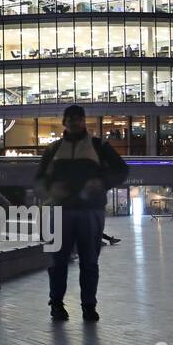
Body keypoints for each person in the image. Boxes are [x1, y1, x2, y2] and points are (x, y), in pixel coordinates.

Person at [35, 104, 128, 322]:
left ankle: (88, 306)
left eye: (79, 118)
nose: (75, 122)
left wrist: (102, 182)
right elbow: (38, 180)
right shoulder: (52, 150)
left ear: (84, 121)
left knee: (89, 261)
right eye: (71, 119)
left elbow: (122, 170)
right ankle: (56, 305)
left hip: (90, 211)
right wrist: (50, 190)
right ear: (64, 122)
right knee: (57, 262)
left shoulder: (99, 145)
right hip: (59, 213)